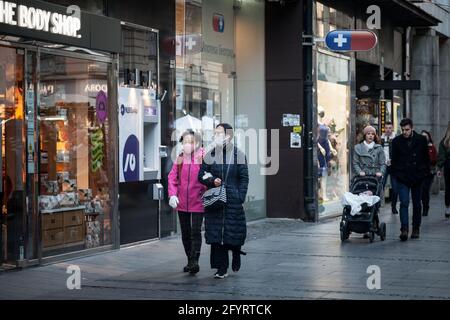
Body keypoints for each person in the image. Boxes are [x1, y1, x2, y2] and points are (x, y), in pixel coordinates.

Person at [198, 123, 249, 279]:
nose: (216, 136)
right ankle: (221, 268)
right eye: (215, 133)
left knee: (232, 231)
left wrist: (240, 196)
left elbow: (244, 178)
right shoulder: (210, 155)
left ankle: (236, 252)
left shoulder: (238, 155)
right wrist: (212, 181)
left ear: (228, 136)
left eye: (219, 133)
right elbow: (201, 175)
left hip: (233, 200)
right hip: (215, 200)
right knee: (216, 235)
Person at [168, 130, 206, 274]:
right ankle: (190, 260)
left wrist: (205, 192)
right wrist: (172, 195)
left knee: (195, 232)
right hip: (182, 203)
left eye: (190, 142)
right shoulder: (180, 158)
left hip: (198, 201)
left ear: (197, 142)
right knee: (185, 232)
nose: (187, 145)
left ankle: (195, 260)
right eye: (184, 142)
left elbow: (208, 178)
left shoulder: (204, 158)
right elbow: (172, 178)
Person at [391, 118, 430, 241]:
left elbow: (426, 158)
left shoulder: (421, 140)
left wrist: (424, 173)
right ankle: (404, 229)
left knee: (417, 204)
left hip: (417, 177)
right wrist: (397, 174)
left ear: (412, 128)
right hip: (403, 177)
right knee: (404, 203)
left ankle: (416, 228)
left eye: (407, 129)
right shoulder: (397, 141)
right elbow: (394, 160)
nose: (405, 132)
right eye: (402, 130)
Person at [381, 122, 398, 214]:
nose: (388, 130)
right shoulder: (381, 139)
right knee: (381, 186)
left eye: (390, 128)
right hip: (383, 166)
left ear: (392, 129)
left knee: (395, 188)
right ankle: (379, 206)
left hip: (393, 166)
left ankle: (394, 207)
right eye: (386, 128)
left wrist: (393, 160)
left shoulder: (396, 139)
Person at [420, 130, 438, 217]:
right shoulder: (418, 146)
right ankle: (421, 207)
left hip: (429, 172)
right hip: (420, 172)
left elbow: (434, 160)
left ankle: (426, 208)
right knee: (420, 191)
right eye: (422, 136)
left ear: (428, 137)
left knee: (425, 190)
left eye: (425, 136)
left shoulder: (432, 147)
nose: (424, 138)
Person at [437, 121, 450, 218]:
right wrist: (439, 168)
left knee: (448, 188)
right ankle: (448, 207)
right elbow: (441, 156)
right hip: (448, 166)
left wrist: (440, 167)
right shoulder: (445, 141)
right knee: (448, 188)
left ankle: (448, 207)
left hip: (448, 166)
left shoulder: (445, 141)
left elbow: (442, 156)